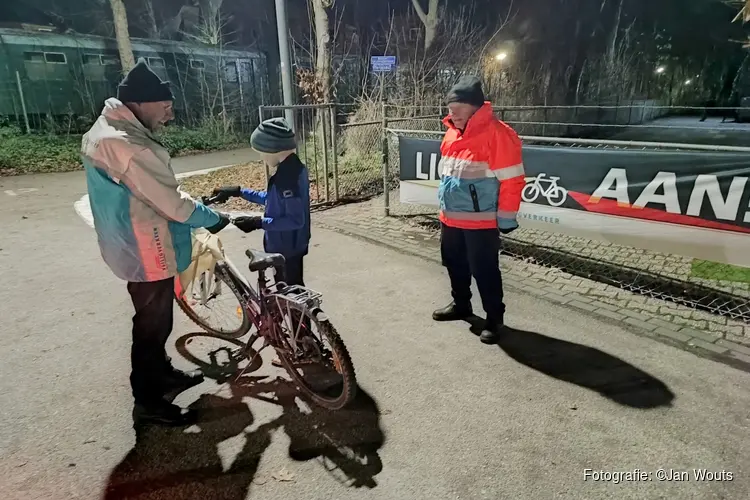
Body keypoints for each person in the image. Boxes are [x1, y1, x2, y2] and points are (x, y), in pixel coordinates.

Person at [81, 59, 231, 426]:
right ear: (141, 102)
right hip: (144, 247)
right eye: (165, 106)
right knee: (150, 325)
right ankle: (148, 401)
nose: (169, 114)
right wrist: (215, 218)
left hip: (129, 241)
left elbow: (151, 192)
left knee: (157, 320)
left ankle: (161, 375)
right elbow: (173, 205)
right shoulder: (128, 146)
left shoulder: (107, 131)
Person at [432, 75, 525, 344]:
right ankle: (461, 304)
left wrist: (506, 218)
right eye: (450, 108)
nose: (452, 113)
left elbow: (512, 180)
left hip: (481, 221)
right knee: (453, 262)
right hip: (450, 217)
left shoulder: (498, 134)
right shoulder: (451, 132)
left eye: (458, 108)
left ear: (475, 107)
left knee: (484, 270)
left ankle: (494, 318)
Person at [210, 117, 311, 287]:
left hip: (287, 248)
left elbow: (295, 220)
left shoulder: (288, 178)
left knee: (291, 294)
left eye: (262, 152)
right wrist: (239, 191)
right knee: (290, 292)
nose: (262, 157)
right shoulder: (292, 169)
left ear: (273, 148)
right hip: (290, 245)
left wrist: (258, 223)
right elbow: (272, 200)